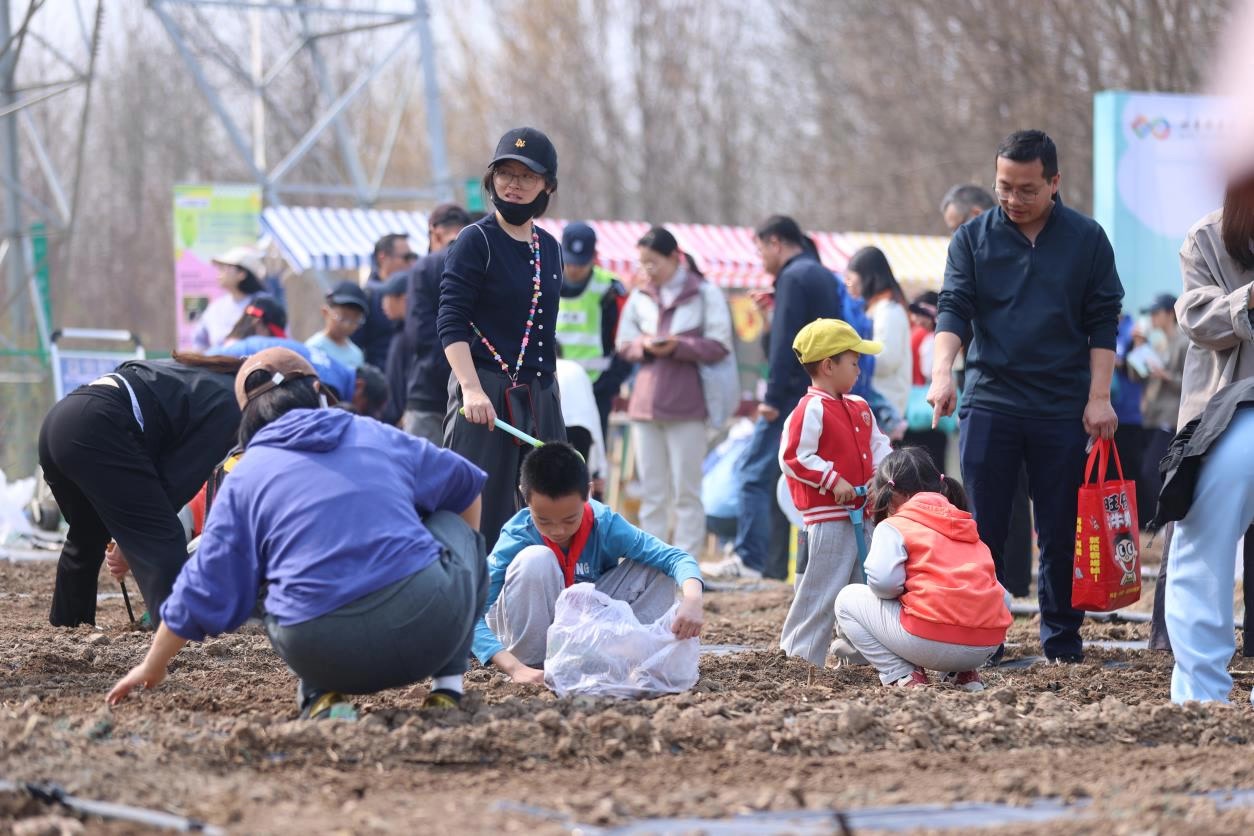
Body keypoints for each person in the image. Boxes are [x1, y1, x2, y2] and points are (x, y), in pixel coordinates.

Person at [106, 348, 489, 718]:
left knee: (271, 572)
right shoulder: (375, 433)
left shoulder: (245, 476)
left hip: (320, 652)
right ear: (318, 391)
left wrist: (153, 664)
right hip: (427, 630)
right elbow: (466, 486)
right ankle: (448, 687)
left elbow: (203, 584)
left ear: (248, 417)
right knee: (452, 524)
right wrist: (459, 578)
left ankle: (322, 696)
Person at [929, 130, 1123, 663]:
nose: (1013, 199)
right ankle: (984, 638)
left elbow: (1103, 320)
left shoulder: (1086, 239)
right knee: (984, 528)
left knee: (1059, 528)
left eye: (1027, 189)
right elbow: (953, 308)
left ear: (1054, 182)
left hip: (1062, 404)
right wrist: (942, 373)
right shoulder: (972, 239)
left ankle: (1061, 640)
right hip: (991, 399)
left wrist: (1099, 396)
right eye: (1004, 187)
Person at [38, 352, 244, 627]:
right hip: (98, 425)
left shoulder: (201, 375)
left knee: (87, 533)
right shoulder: (231, 404)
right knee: (162, 536)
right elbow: (175, 481)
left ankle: (68, 626)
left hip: (60, 422)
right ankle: (178, 633)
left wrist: (126, 534)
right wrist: (131, 539)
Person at [472, 442, 704, 684]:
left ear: (588, 494)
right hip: (533, 637)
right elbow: (470, 610)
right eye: (544, 520)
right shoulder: (518, 534)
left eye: (570, 519)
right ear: (524, 495)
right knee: (535, 560)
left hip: (587, 627)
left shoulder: (605, 524)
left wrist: (693, 600)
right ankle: (534, 664)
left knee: (659, 568)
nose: (558, 530)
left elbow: (675, 558)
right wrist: (514, 668)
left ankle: (620, 659)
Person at [438, 127, 567, 549]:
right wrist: (471, 389)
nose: (514, 184)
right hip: (485, 394)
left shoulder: (550, 247)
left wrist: (550, 398)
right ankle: (473, 590)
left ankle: (549, 586)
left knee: (554, 508)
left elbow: (543, 330)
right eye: (505, 173)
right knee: (479, 512)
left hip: (539, 394)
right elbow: (451, 320)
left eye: (527, 176)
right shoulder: (475, 241)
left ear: (547, 185)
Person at [702, 215, 844, 580]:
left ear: (776, 243)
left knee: (754, 473)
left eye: (760, 249)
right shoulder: (822, 275)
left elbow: (785, 346)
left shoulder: (793, 278)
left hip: (790, 397)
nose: (761, 257)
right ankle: (773, 566)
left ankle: (750, 559)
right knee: (789, 480)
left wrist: (774, 396)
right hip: (820, 392)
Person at [1150, 175, 1254, 653]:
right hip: (1216, 411)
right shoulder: (1206, 237)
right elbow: (1195, 318)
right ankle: (1171, 641)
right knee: (1193, 524)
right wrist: (1246, 300)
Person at [835, 447, 1010, 690]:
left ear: (890, 493)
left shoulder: (895, 525)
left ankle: (903, 674)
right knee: (982, 594)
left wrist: (905, 591)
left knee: (846, 599)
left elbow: (883, 584)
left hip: (928, 641)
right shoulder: (964, 521)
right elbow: (1000, 593)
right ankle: (963, 674)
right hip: (986, 645)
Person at [937, 183, 1035, 604]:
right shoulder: (968, 254)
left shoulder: (1020, 251)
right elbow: (954, 308)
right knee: (994, 492)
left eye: (956, 224)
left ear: (976, 214)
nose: (954, 234)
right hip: (984, 387)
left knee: (1017, 490)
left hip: (1024, 389)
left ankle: (1013, 579)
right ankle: (995, 583)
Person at [778, 319, 892, 666]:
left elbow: (880, 446)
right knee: (820, 592)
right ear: (829, 366)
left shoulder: (860, 406)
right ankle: (799, 659)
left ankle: (858, 656)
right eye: (854, 362)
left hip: (863, 515)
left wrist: (880, 477)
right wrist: (832, 480)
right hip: (827, 520)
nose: (859, 369)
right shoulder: (810, 408)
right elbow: (794, 456)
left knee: (865, 589)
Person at [616, 227, 733, 561]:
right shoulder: (640, 295)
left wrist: (678, 346)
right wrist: (645, 346)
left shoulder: (705, 293)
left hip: (688, 405)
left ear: (674, 257)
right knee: (652, 492)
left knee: (686, 491)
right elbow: (623, 344)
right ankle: (653, 562)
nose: (648, 270)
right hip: (644, 405)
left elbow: (720, 344)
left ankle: (686, 562)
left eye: (653, 262)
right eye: (642, 263)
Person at [404, 204, 473, 443]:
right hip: (475, 395)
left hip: (428, 395)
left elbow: (418, 335)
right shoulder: (482, 263)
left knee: (422, 466)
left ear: (434, 232)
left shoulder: (425, 267)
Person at [558, 222, 633, 440]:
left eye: (581, 263)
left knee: (592, 452)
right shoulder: (542, 282)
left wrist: (610, 383)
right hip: (552, 387)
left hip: (596, 388)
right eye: (570, 262)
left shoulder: (610, 289)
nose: (575, 269)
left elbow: (626, 340)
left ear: (594, 257)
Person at [844, 247, 912, 420]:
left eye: (851, 279)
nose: (848, 284)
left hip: (884, 406)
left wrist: (850, 356)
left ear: (867, 278)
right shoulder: (875, 308)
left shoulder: (889, 311)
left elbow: (886, 360)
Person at [1138, 295, 1188, 508]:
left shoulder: (1184, 342)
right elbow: (1138, 376)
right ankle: (1162, 518)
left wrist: (1165, 376)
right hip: (1154, 417)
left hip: (1171, 419)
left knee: (1152, 471)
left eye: (1156, 312)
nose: (1152, 317)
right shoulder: (1159, 344)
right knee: (1154, 471)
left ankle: (1165, 517)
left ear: (1170, 313)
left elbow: (1192, 383)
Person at [352, 233, 415, 369]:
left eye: (413, 257)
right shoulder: (367, 296)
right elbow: (355, 345)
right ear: (383, 257)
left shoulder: (415, 289)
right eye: (406, 257)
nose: (411, 263)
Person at [902, 292, 948, 471]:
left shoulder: (917, 334)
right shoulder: (931, 337)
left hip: (914, 405)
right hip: (928, 406)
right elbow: (927, 370)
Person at [555, 345, 608, 496]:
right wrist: (600, 469)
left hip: (551, 426)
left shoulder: (542, 369)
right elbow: (593, 417)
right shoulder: (577, 369)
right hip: (581, 429)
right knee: (576, 489)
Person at [191, 247, 265, 350]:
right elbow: (199, 343)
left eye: (224, 267)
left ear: (242, 274)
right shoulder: (216, 308)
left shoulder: (265, 305)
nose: (219, 273)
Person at [307, 281, 369, 370]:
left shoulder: (356, 354)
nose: (347, 325)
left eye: (355, 319)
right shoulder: (314, 348)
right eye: (343, 317)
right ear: (325, 312)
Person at [379, 271, 413, 426]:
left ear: (404, 299)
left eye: (387, 297)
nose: (383, 304)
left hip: (406, 418)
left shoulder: (413, 335)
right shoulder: (399, 332)